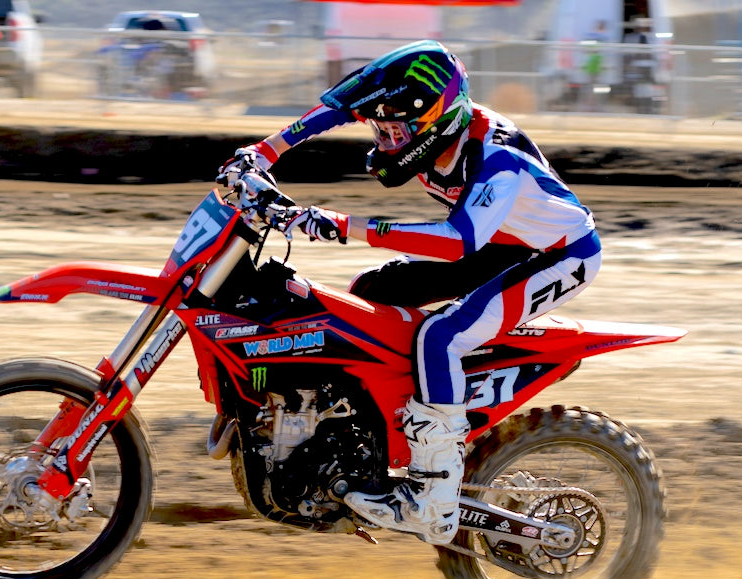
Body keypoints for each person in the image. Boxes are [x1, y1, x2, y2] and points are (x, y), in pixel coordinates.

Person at [218, 40, 601, 545]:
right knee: (368, 295)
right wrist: (265, 151)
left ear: (433, 122)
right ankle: (369, 445)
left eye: (394, 131)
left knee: (441, 338)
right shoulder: (432, 127)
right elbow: (339, 108)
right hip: (497, 244)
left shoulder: (496, 158)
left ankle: (435, 494)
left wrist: (339, 224)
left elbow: (457, 241)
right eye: (379, 129)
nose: (384, 140)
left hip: (557, 255)